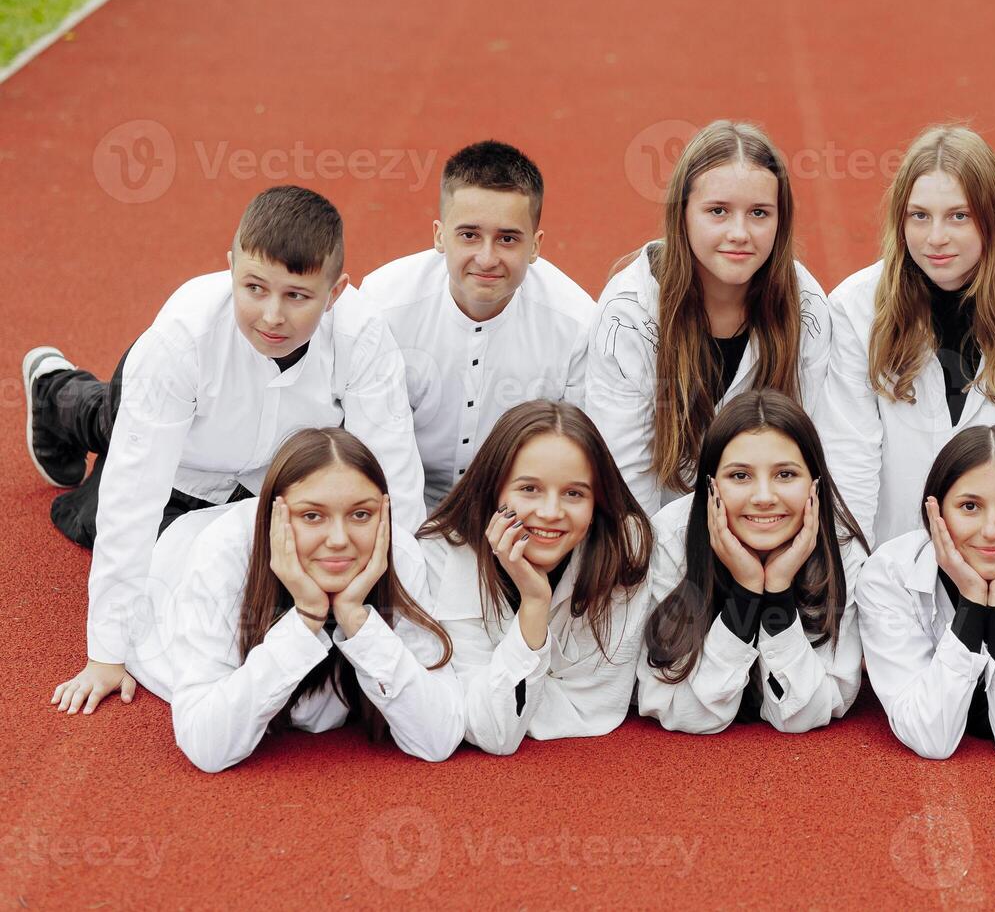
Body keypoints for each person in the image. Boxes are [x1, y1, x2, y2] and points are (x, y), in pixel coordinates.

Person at [27, 186, 425, 717]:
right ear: (230, 266)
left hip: (263, 479)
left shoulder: (364, 337)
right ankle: (51, 388)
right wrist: (107, 653)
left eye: (297, 296)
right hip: (181, 454)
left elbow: (390, 479)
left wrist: (411, 621)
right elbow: (133, 493)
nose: (272, 316)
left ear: (335, 294)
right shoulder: (181, 340)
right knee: (103, 448)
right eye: (254, 287)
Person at [125, 428, 461, 773]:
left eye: (361, 514)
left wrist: (356, 620)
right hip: (167, 543)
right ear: (276, 518)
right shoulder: (222, 555)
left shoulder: (399, 553)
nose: (339, 540)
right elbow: (207, 746)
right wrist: (306, 618)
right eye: (312, 516)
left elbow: (437, 738)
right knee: (91, 505)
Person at [818, 124, 995, 548]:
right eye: (919, 216)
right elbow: (848, 463)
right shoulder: (855, 308)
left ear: (992, 218)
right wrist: (858, 591)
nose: (935, 238)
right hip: (889, 565)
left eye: (958, 216)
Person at [584, 120, 831, 516]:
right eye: (718, 211)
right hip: (661, 543)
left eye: (759, 213)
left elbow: (816, 454)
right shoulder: (628, 313)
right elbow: (625, 485)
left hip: (767, 526)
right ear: (682, 214)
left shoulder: (806, 307)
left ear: (780, 220)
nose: (739, 232)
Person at [360, 140, 595, 510]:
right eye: (469, 235)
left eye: (507, 239)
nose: (486, 258)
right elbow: (369, 440)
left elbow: (577, 458)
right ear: (440, 235)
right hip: (399, 501)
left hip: (518, 510)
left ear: (535, 245)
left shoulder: (577, 323)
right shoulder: (382, 304)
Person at [417, 400, 653, 754]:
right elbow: (494, 732)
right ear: (493, 488)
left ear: (596, 503)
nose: (550, 512)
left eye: (574, 493)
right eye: (529, 489)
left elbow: (596, 706)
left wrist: (505, 697)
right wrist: (535, 603)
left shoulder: (624, 544)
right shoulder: (442, 552)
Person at [638, 390, 868, 733]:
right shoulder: (671, 538)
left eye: (786, 474)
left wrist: (778, 591)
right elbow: (684, 714)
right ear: (711, 484)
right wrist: (745, 591)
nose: (763, 497)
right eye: (740, 476)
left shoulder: (844, 551)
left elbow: (810, 714)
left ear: (814, 483)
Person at [858, 425, 995, 760]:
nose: (991, 531)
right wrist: (974, 600)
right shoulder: (888, 575)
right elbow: (930, 737)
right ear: (934, 512)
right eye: (969, 507)